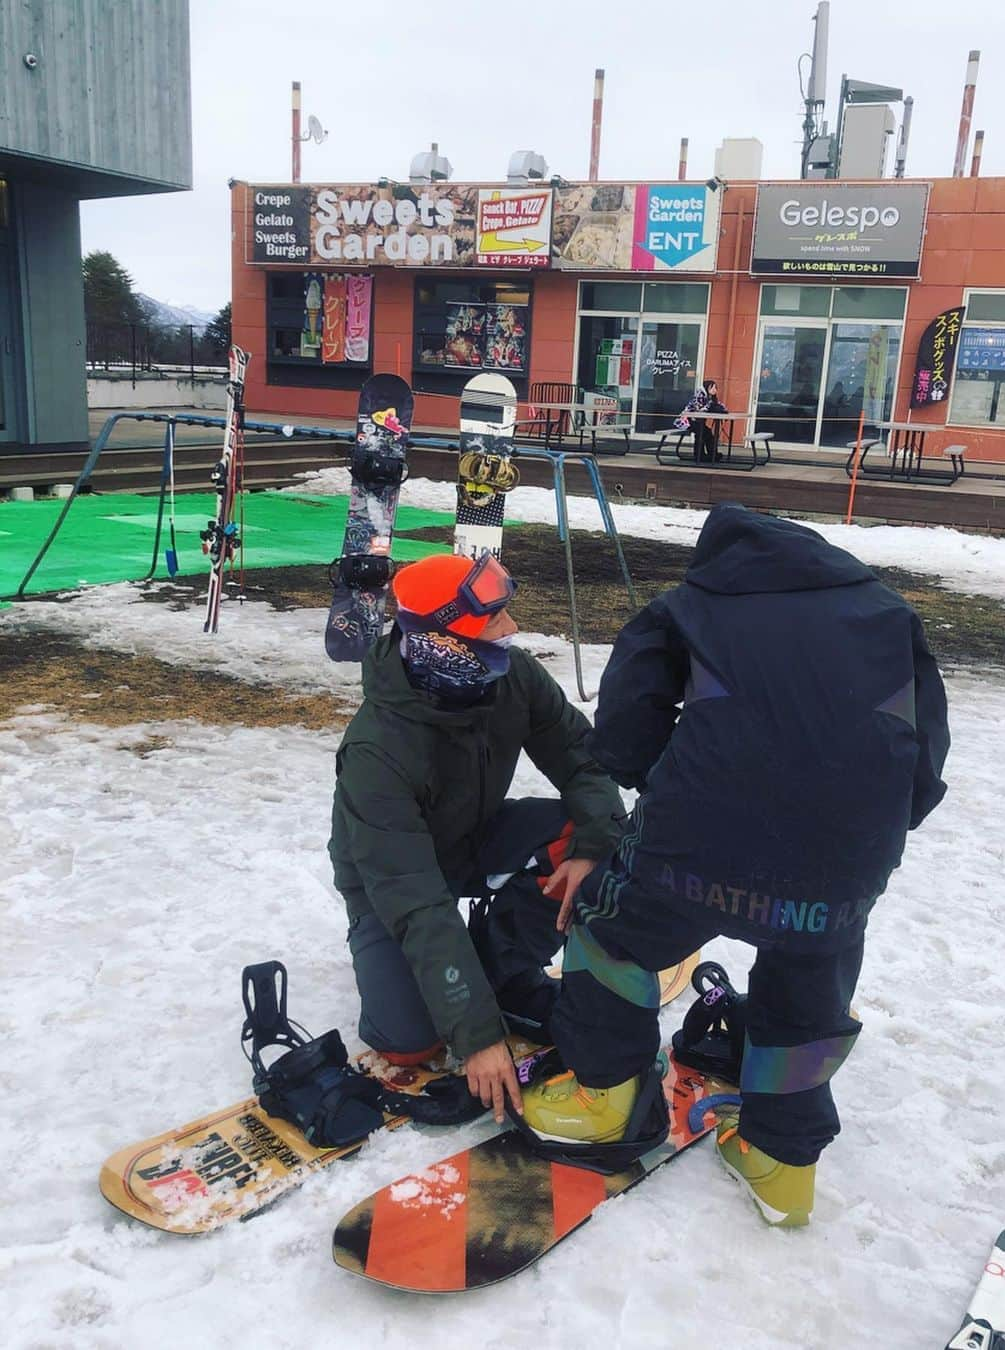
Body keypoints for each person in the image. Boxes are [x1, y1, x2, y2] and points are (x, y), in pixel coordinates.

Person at [519, 503, 950, 1226]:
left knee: (609, 933)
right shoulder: (888, 614)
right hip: (844, 856)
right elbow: (927, 749)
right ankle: (782, 1165)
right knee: (809, 982)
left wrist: (674, 779)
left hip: (699, 842)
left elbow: (624, 734)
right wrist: (862, 834)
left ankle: (604, 1099)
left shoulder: (688, 606)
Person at [328, 551, 625, 1124]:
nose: (512, 628)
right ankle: (427, 979)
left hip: (473, 837)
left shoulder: (511, 676)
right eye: (493, 621)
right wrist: (477, 1035)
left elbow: (585, 762)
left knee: (595, 836)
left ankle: (503, 970)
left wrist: (592, 847)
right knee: (411, 1042)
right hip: (389, 888)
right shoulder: (377, 752)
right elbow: (413, 898)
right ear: (443, 643)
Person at [675, 378, 728, 462]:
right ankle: (699, 456)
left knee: (708, 433)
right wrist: (710, 405)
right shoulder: (699, 396)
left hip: (698, 422)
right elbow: (699, 409)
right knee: (702, 433)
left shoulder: (710, 397)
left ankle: (713, 454)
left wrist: (721, 408)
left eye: (715, 388)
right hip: (687, 421)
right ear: (707, 388)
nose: (715, 390)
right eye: (712, 388)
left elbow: (720, 405)